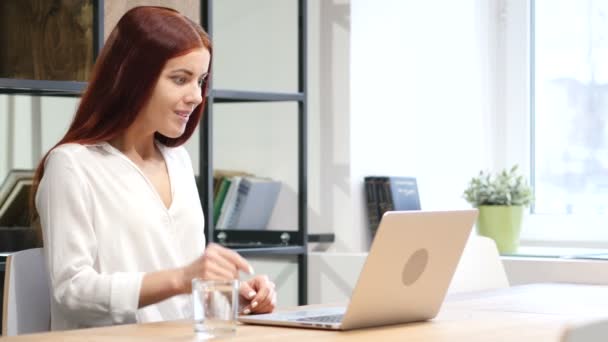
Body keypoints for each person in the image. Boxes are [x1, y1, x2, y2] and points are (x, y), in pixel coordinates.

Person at [31, 6, 276, 330]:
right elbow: (71, 291)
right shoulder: (72, 166)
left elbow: (184, 293)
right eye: (180, 79)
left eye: (200, 81)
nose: (196, 96)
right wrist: (181, 278)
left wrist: (231, 297)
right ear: (132, 77)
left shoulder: (178, 161)